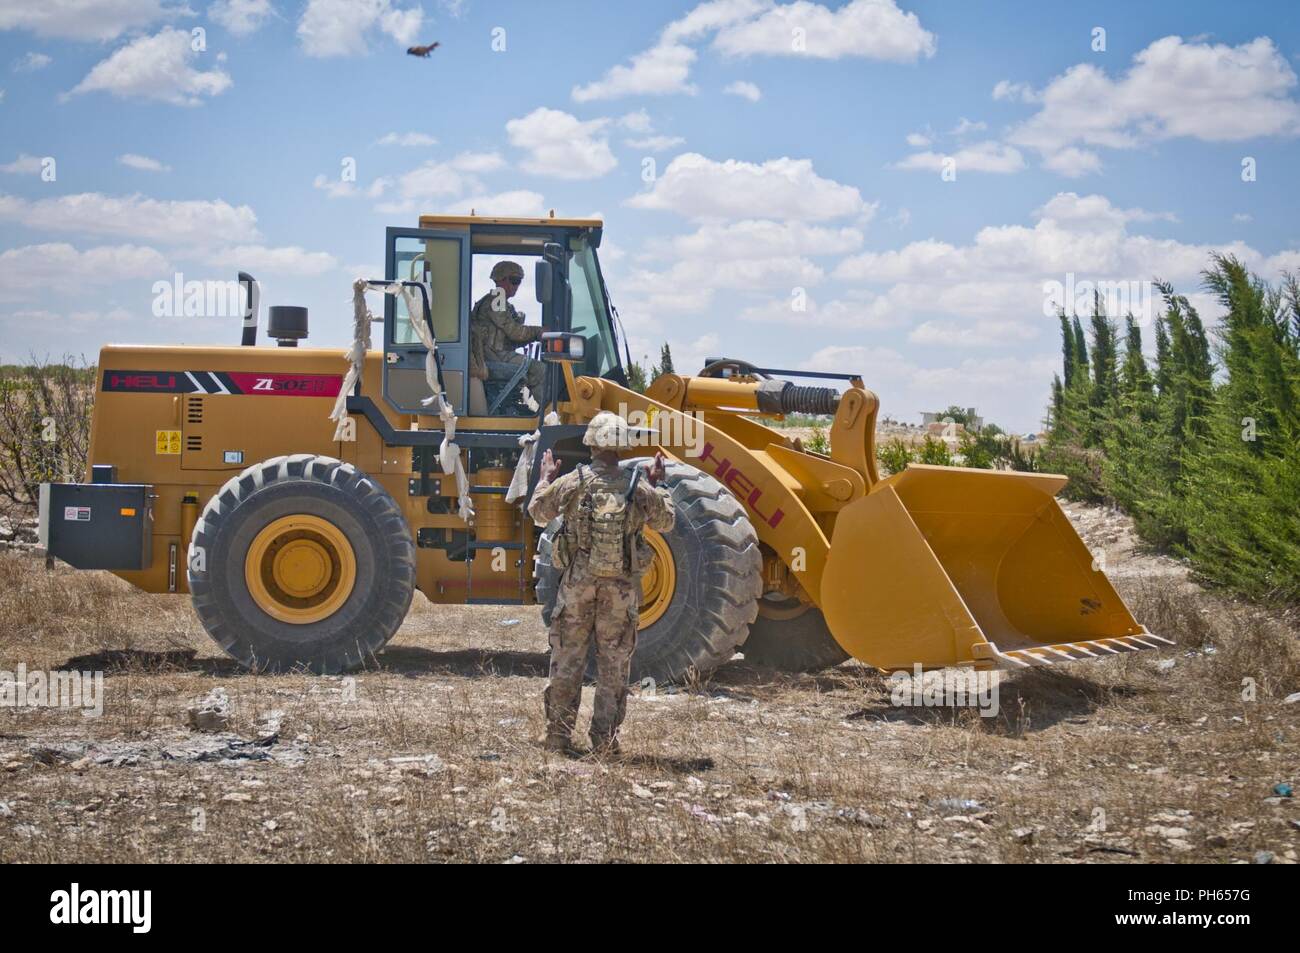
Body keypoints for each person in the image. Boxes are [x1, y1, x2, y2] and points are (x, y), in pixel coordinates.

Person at [527, 412, 676, 757]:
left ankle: (558, 738)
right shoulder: (637, 485)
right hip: (620, 589)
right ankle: (604, 742)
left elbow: (537, 513)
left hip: (578, 584)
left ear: (591, 443)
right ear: (623, 446)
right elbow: (666, 522)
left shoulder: (573, 482)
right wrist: (660, 486)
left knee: (568, 659)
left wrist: (545, 477)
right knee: (613, 665)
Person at [469, 260, 545, 394]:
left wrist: (534, 336)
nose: (517, 286)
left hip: (495, 355)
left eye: (519, 281)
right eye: (514, 280)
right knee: (539, 369)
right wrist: (539, 332)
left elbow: (512, 339)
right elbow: (514, 332)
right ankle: (548, 413)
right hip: (493, 356)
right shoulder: (496, 300)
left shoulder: (502, 303)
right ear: (501, 279)